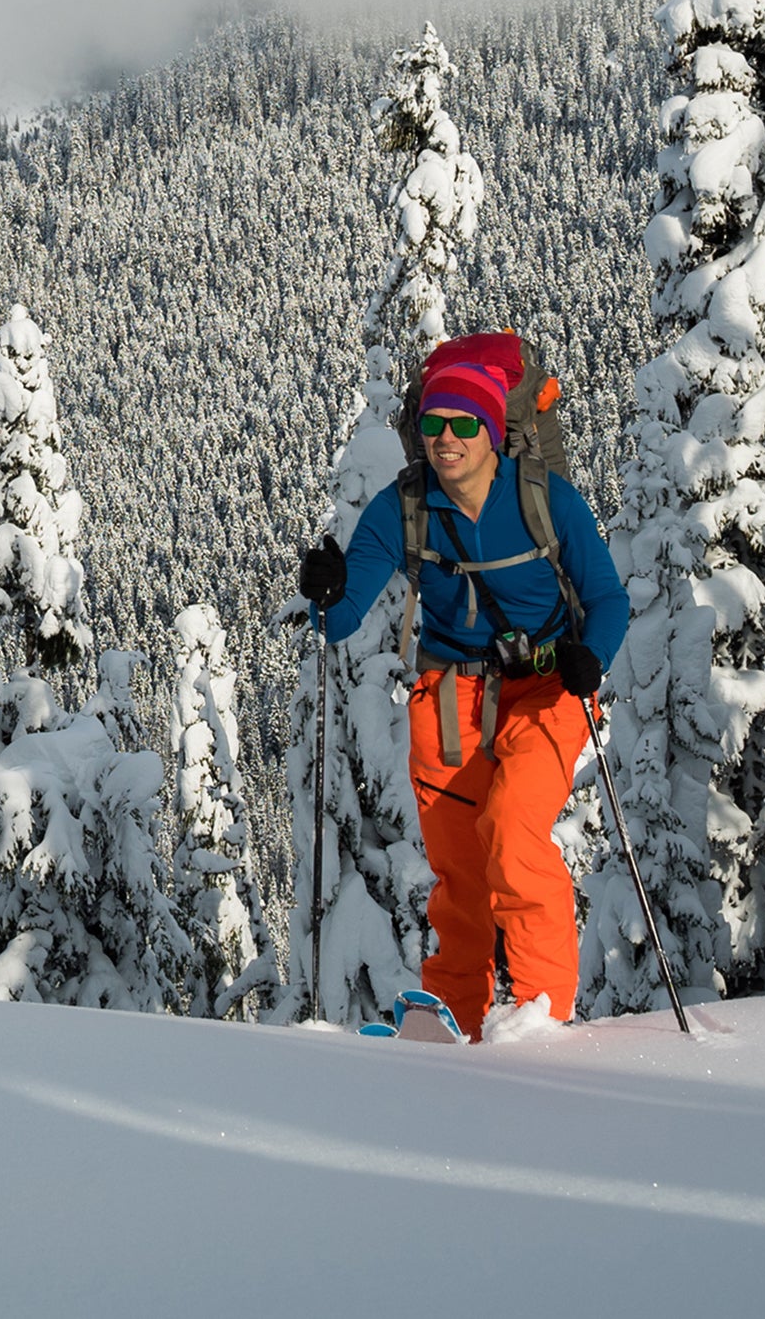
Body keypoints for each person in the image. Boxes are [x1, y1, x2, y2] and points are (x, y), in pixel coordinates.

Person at [299, 359, 629, 1040]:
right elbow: (343, 615)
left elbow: (606, 598)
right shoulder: (405, 506)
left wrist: (589, 656)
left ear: (490, 431)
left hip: (546, 686)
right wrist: (326, 594)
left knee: (512, 832)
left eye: (462, 424)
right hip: (451, 693)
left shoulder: (545, 498)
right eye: (432, 425)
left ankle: (543, 1009)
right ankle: (459, 1015)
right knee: (458, 867)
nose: (444, 438)